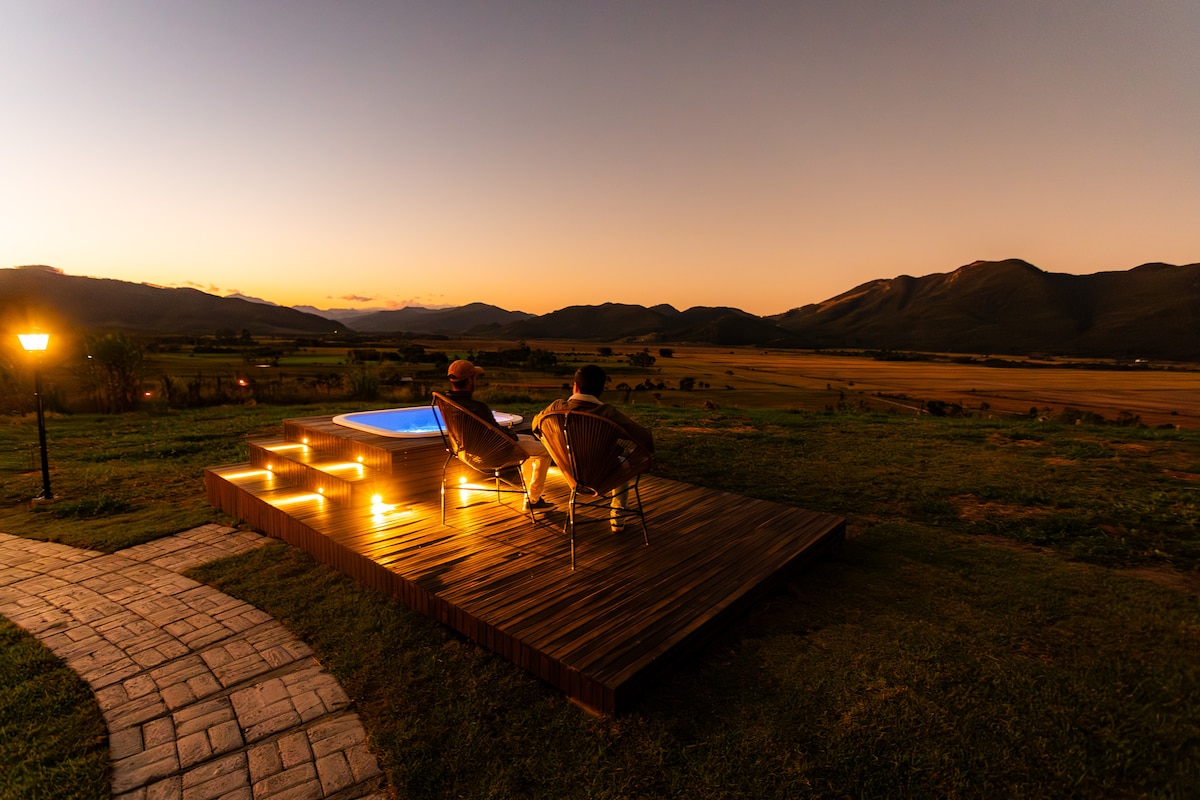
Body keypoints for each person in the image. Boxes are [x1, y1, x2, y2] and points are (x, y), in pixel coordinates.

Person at [533, 364, 654, 531]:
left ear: (575, 386)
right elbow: (645, 437)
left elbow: (535, 425)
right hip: (605, 474)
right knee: (623, 458)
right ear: (601, 389)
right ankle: (617, 515)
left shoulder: (556, 408)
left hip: (570, 471)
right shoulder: (607, 413)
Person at [445, 359, 552, 511]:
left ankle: (531, 495)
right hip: (491, 454)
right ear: (470, 380)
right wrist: (511, 434)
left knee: (528, 439)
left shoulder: (447, 403)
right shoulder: (477, 408)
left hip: (464, 452)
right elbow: (498, 433)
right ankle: (533, 500)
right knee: (545, 451)